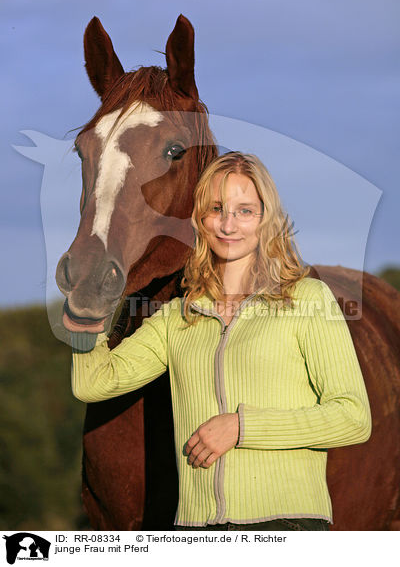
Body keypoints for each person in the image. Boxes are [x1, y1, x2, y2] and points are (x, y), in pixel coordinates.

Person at [71, 152, 371, 531]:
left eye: (244, 211)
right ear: (200, 218)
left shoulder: (307, 299)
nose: (228, 224)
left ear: (266, 220)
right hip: (197, 532)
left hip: (287, 526)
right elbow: (92, 383)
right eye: (217, 209)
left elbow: (353, 417)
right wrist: (87, 318)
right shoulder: (178, 317)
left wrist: (241, 427)